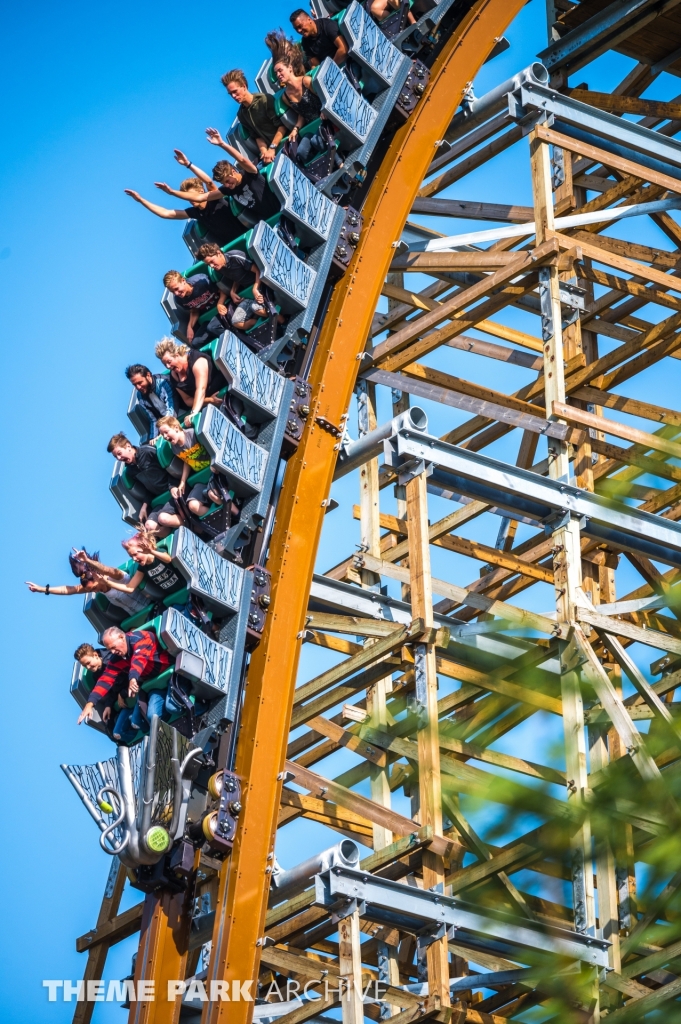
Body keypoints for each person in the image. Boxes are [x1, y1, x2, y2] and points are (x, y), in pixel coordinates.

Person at [124, 163, 244, 247]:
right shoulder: (195, 213)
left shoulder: (213, 197)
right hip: (233, 244)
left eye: (191, 195)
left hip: (245, 232)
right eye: (187, 197)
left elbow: (208, 181)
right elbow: (165, 213)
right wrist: (140, 200)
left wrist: (188, 164)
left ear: (201, 191)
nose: (190, 199)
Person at [100, 625, 175, 743]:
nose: (113, 651)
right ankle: (156, 738)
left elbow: (138, 662)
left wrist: (132, 681)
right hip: (149, 687)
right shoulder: (119, 659)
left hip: (167, 678)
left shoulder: (141, 642)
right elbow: (108, 681)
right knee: (127, 727)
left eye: (113, 647)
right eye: (110, 649)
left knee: (170, 708)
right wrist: (93, 703)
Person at [25, 548, 150, 616]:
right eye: (91, 590)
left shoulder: (115, 576)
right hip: (137, 617)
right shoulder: (93, 587)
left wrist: (87, 561)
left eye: (94, 588)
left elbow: (106, 569)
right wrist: (43, 589)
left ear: (97, 577)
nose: (94, 591)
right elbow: (69, 590)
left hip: (151, 606)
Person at [174, 148, 281, 226]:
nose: (226, 185)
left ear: (233, 172)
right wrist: (171, 192)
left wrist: (221, 144)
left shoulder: (250, 174)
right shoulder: (228, 190)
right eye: (223, 183)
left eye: (227, 181)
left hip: (280, 208)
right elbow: (200, 197)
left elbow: (241, 159)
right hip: (268, 220)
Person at [77, 535, 188, 603]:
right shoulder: (142, 568)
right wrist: (107, 583)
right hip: (175, 596)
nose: (134, 559)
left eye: (136, 554)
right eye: (131, 557)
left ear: (145, 548)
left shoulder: (158, 553)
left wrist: (151, 551)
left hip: (186, 587)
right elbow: (129, 588)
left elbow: (168, 559)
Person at [155, 415, 221, 528]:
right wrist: (182, 481)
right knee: (193, 506)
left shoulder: (192, 434)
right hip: (200, 479)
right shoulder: (175, 448)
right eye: (162, 435)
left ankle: (233, 512)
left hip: (214, 472)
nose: (165, 437)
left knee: (214, 494)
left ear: (176, 427)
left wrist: (214, 462)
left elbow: (211, 446)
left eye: (166, 432)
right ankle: (218, 521)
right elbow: (187, 461)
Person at [107, 432, 175, 533]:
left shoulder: (148, 452)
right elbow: (147, 489)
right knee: (149, 526)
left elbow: (169, 468)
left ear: (128, 446)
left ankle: (187, 526)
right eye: (116, 457)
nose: (119, 458)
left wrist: (173, 486)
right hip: (160, 500)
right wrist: (144, 506)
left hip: (173, 491)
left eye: (119, 453)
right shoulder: (131, 471)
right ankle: (170, 532)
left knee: (163, 518)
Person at [221, 69, 286, 166]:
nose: (233, 96)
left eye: (235, 91)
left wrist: (272, 148)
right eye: (230, 94)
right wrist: (264, 152)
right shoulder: (241, 114)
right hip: (270, 151)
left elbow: (282, 126)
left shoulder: (264, 100)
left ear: (244, 86)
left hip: (283, 142)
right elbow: (257, 136)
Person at [196, 242, 267, 332]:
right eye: (208, 264)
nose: (211, 266)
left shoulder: (235, 257)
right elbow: (236, 277)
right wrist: (232, 291)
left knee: (256, 308)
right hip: (249, 296)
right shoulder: (220, 268)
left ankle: (280, 320)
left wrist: (255, 288)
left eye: (212, 262)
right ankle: (263, 326)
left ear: (218, 253)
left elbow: (258, 270)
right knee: (236, 322)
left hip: (262, 286)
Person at [155, 339, 224, 427]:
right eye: (165, 365)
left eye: (169, 362)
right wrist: (209, 400)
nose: (168, 366)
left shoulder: (197, 361)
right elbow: (187, 400)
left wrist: (194, 412)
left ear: (177, 355)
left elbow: (201, 389)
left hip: (223, 393)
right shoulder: (174, 376)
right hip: (207, 404)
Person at [74, 642, 130, 732]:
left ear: (95, 655)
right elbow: (110, 690)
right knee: (111, 727)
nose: (88, 667)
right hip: (120, 695)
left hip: (133, 685)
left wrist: (122, 693)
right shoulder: (96, 675)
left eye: (88, 663)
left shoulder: (112, 657)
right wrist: (108, 705)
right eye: (85, 666)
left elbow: (127, 674)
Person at [162, 270, 224, 349]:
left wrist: (220, 303)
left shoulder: (201, 281)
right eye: (173, 292)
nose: (176, 293)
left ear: (183, 281)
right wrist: (190, 327)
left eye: (176, 289)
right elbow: (194, 310)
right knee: (195, 343)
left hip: (223, 309)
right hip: (211, 318)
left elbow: (222, 289)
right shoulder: (179, 300)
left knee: (212, 327)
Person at [125, 364, 176, 439]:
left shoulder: (163, 383)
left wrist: (164, 430)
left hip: (178, 416)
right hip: (166, 425)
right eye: (135, 385)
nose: (138, 387)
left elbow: (172, 408)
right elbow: (153, 419)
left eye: (140, 383)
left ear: (148, 375)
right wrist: (153, 439)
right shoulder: (140, 396)